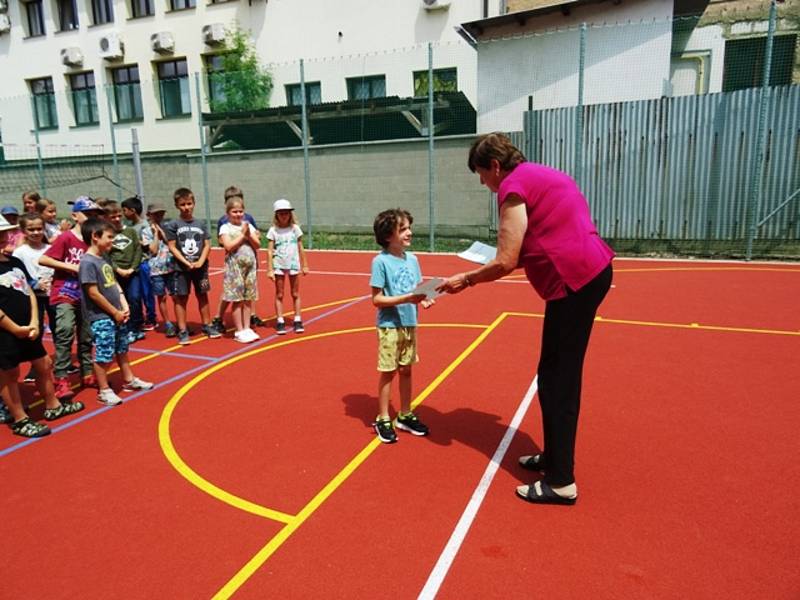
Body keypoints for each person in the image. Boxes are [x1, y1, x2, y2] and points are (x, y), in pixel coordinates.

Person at [436, 133, 614, 506]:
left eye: (482, 175)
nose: (484, 184)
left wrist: (465, 280)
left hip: (574, 279)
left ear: (495, 167)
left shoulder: (513, 187)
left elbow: (505, 260)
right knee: (553, 373)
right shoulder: (540, 174)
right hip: (585, 272)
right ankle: (553, 459)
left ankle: (561, 481)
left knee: (557, 380)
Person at [0, 214, 84, 438]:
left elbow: (28, 292)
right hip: (6, 331)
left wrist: (35, 321)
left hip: (29, 326)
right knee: (9, 374)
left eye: (4, 233)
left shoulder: (13, 262)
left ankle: (53, 405)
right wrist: (14, 328)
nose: (2, 238)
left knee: (43, 363)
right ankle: (19, 418)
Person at [369, 208, 433, 444]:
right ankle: (383, 417)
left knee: (406, 369)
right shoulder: (380, 262)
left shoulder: (413, 259)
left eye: (409, 227)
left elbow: (417, 289)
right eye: (403, 229)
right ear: (388, 236)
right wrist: (406, 298)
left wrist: (425, 297)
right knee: (389, 371)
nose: (409, 232)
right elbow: (376, 300)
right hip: (389, 325)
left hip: (409, 322)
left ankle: (404, 414)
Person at [79, 218, 154, 406]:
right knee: (104, 352)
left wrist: (123, 304)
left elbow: (113, 282)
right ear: (95, 237)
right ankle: (103, 390)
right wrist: (114, 312)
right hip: (102, 316)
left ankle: (129, 379)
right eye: (109, 237)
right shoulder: (88, 262)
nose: (113, 241)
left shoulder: (104, 258)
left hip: (117, 313)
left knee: (122, 348)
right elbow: (93, 293)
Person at [39, 196, 102, 397]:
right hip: (65, 292)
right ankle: (61, 378)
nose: (92, 218)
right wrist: (72, 266)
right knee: (65, 331)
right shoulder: (66, 237)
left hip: (87, 296)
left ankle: (87, 372)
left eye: (95, 215)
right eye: (87, 214)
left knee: (86, 336)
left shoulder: (94, 240)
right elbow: (44, 258)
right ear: (75, 215)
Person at [164, 187, 221, 345]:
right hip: (181, 269)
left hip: (200, 268)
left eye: (189, 203)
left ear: (194, 203)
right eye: (183, 205)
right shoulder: (173, 225)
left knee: (203, 295)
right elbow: (172, 246)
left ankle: (207, 325)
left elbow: (207, 244)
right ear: (177, 205)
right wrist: (185, 262)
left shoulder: (201, 224)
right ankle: (182, 329)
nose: (186, 207)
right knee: (181, 298)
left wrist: (201, 261)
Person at [212, 185, 264, 332]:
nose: (238, 212)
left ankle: (251, 316)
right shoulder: (224, 221)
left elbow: (257, 236)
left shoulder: (248, 219)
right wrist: (242, 237)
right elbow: (224, 242)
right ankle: (218, 316)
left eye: (239, 200)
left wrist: (251, 236)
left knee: (248, 292)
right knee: (231, 292)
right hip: (234, 262)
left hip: (249, 259)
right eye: (230, 201)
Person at [13, 213, 56, 383]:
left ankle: (60, 362)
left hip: (53, 294)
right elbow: (18, 274)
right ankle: (35, 366)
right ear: (23, 230)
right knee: (35, 330)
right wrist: (35, 284)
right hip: (34, 297)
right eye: (31, 229)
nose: (36, 232)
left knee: (59, 328)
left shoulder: (49, 248)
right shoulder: (20, 252)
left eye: (39, 228)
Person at [103, 200, 145, 344]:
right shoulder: (107, 235)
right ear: (107, 218)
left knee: (134, 298)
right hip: (116, 273)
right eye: (113, 217)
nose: (117, 219)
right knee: (119, 301)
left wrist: (132, 268)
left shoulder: (130, 231)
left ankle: (136, 327)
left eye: (119, 216)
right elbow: (106, 255)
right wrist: (118, 269)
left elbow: (137, 251)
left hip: (132, 272)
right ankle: (124, 328)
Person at [266, 199, 309, 335]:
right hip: (279, 265)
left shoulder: (295, 229)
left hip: (293, 264)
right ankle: (280, 320)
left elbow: (300, 247)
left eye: (286, 213)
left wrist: (305, 265)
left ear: (290, 214)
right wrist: (270, 269)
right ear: (276, 215)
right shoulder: (273, 231)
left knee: (295, 293)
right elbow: (269, 251)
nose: (284, 216)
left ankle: (297, 319)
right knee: (279, 294)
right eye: (281, 213)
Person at [140, 203, 176, 337]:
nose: (159, 216)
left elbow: (171, 244)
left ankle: (179, 322)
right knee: (162, 297)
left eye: (161, 213)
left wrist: (162, 233)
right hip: (156, 269)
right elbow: (153, 250)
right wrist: (155, 235)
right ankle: (167, 323)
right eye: (155, 214)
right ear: (149, 215)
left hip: (171, 267)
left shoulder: (167, 227)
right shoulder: (145, 231)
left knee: (176, 296)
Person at [122, 196, 157, 331]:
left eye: (125, 210)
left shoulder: (143, 226)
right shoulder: (131, 227)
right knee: (137, 293)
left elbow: (147, 243)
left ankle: (151, 317)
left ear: (132, 210)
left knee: (147, 292)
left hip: (144, 262)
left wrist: (136, 242)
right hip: (135, 263)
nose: (124, 214)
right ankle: (140, 317)